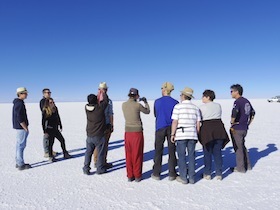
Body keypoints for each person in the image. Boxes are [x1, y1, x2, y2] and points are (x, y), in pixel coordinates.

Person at [171, 87, 201, 184]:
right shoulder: (196, 108)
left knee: (182, 156)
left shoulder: (178, 107)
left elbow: (175, 121)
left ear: (184, 96)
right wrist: (197, 133)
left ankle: (183, 177)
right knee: (192, 156)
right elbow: (198, 123)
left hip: (181, 134)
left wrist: (172, 134)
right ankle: (192, 178)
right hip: (192, 134)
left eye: (181, 95)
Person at [199, 90, 230, 180]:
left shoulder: (202, 107)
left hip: (207, 130)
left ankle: (207, 173)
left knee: (207, 153)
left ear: (208, 97)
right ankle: (219, 173)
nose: (202, 98)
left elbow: (200, 118)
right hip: (219, 129)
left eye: (203, 96)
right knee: (217, 152)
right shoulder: (218, 105)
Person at [151, 82, 179, 181]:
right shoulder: (175, 102)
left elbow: (155, 113)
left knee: (158, 150)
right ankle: (172, 173)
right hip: (172, 128)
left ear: (164, 90)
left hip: (160, 127)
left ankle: (156, 173)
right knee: (172, 150)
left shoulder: (157, 101)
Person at [122, 88, 150, 182]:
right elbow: (147, 111)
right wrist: (145, 102)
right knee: (137, 154)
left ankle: (130, 175)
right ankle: (137, 175)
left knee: (128, 154)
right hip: (137, 132)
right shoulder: (138, 105)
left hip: (127, 132)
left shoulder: (123, 105)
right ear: (137, 96)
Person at [230, 84, 255, 173]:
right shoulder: (246, 101)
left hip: (237, 128)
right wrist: (247, 123)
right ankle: (248, 165)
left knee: (238, 148)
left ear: (237, 91)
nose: (231, 93)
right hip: (244, 128)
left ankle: (240, 168)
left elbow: (235, 112)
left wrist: (232, 122)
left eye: (232, 91)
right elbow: (253, 113)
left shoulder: (237, 102)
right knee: (242, 146)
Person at [83, 91, 109, 175]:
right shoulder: (99, 108)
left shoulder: (86, 108)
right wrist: (103, 92)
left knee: (88, 152)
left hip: (89, 135)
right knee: (100, 152)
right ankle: (100, 169)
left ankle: (86, 168)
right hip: (99, 135)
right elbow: (106, 101)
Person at [93, 82, 114, 169]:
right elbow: (110, 114)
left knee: (100, 145)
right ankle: (100, 162)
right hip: (104, 126)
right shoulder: (108, 101)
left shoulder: (95, 99)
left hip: (97, 126)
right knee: (102, 145)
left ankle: (99, 161)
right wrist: (112, 124)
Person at [13, 87, 31, 170]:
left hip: (19, 128)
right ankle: (20, 164)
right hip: (21, 128)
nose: (26, 94)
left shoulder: (18, 103)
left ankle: (18, 162)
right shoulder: (19, 104)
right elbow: (19, 117)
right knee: (21, 145)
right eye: (25, 93)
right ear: (20, 94)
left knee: (19, 145)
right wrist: (25, 127)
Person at [39, 88, 56, 158]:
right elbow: (44, 111)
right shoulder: (43, 101)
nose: (48, 93)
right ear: (44, 93)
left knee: (51, 138)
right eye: (47, 92)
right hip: (47, 121)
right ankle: (46, 152)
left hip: (53, 122)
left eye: (49, 92)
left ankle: (50, 150)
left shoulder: (50, 100)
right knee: (46, 136)